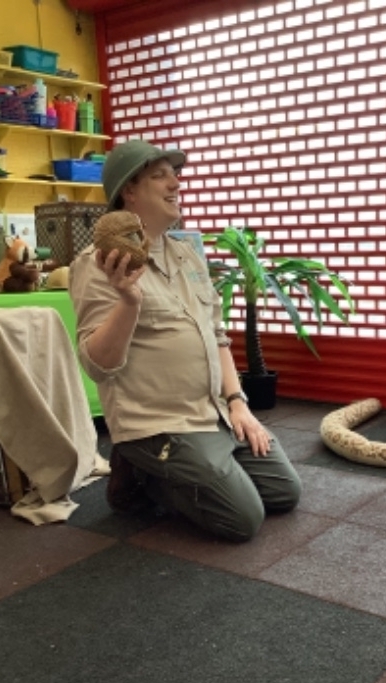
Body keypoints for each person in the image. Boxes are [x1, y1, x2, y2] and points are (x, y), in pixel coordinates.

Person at [69, 139, 302, 541]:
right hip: (158, 425)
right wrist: (129, 300)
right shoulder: (99, 264)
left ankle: (202, 465)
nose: (176, 183)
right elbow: (97, 365)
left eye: (175, 174)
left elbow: (217, 336)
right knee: (242, 519)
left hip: (213, 413)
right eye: (160, 176)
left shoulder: (187, 254)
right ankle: (140, 475)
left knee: (284, 492)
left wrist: (238, 403)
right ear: (129, 191)